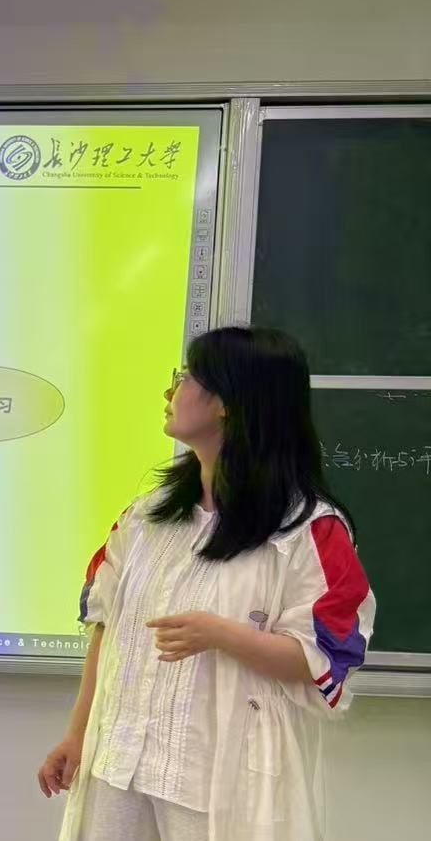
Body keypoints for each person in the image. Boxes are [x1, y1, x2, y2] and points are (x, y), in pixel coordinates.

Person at [37, 327, 375, 841]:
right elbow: (106, 628)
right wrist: (77, 734)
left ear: (227, 403)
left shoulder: (308, 529)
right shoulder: (146, 517)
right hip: (119, 761)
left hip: (220, 775)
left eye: (187, 377)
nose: (171, 391)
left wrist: (221, 634)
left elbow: (325, 657)